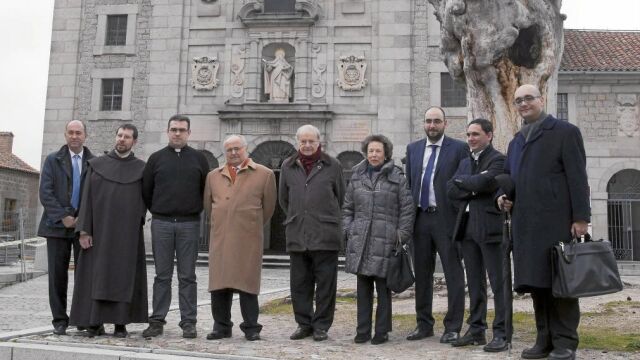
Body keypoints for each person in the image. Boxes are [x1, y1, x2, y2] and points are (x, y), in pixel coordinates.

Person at [498, 84, 589, 360]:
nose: (524, 104)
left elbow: (577, 177)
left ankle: (565, 342)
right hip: (526, 225)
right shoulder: (516, 141)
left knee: (561, 284)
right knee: (537, 284)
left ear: (541, 100)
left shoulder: (565, 132)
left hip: (557, 222)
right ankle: (544, 339)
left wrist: (581, 218)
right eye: (518, 101)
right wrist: (502, 197)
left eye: (528, 98)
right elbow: (507, 177)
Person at [69, 124, 148, 337]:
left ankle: (120, 323)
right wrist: (84, 230)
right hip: (98, 232)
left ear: (134, 141)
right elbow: (85, 199)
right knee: (96, 275)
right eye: (120, 135)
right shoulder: (95, 165)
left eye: (127, 137)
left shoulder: (141, 168)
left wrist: (137, 219)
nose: (122, 139)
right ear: (116, 138)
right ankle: (94, 322)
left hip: (127, 234)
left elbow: (145, 200)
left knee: (123, 276)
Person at [142, 115, 210, 339]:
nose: (177, 133)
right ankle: (157, 321)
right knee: (162, 275)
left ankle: (188, 322)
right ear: (167, 131)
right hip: (161, 223)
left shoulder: (199, 160)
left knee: (187, 276)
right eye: (174, 129)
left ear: (189, 133)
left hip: (189, 224)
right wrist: (159, 210)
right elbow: (146, 191)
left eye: (182, 130)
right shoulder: (156, 159)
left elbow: (205, 191)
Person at [203, 135, 276, 342]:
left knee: (247, 284)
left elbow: (268, 208)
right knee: (219, 284)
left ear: (246, 150)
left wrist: (248, 223)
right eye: (229, 150)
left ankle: (251, 327)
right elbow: (209, 207)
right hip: (221, 237)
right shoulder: (213, 176)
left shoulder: (265, 174)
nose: (233, 153)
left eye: (237, 149)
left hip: (248, 239)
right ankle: (221, 326)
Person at [343, 135, 415, 345]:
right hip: (361, 241)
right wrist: (349, 230)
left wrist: (400, 236)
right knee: (363, 290)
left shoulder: (397, 178)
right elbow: (347, 208)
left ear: (386, 154)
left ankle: (381, 331)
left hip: (386, 242)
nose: (374, 154)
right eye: (371, 151)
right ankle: (362, 330)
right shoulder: (357, 177)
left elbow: (407, 210)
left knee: (384, 290)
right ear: (366, 153)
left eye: (378, 151)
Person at [404, 106, 467, 343]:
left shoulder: (459, 149)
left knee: (453, 273)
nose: (432, 125)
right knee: (422, 274)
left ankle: (453, 326)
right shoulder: (413, 149)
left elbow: (462, 184)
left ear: (445, 124)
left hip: (446, 219)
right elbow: (411, 184)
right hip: (420, 219)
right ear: (424, 123)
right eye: (429, 121)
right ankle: (424, 324)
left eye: (437, 121)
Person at [279, 124, 345, 342]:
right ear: (297, 142)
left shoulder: (333, 165)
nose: (307, 145)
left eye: (311, 141)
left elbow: (341, 197)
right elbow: (283, 200)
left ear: (319, 142)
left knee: (326, 285)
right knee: (299, 284)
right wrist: (298, 216)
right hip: (298, 233)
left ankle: (322, 326)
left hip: (325, 234)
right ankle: (303, 324)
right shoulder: (288, 166)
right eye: (303, 141)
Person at [446, 119, 507, 352]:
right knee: (474, 283)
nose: (471, 138)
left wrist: (468, 185)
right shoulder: (464, 162)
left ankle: (501, 332)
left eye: (476, 134)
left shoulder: (498, 159)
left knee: (498, 283)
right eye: (469, 134)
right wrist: (473, 186)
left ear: (489, 135)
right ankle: (476, 330)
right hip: (467, 228)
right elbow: (450, 188)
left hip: (490, 229)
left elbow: (489, 181)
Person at [37, 120, 95, 335]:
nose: (74, 136)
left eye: (78, 132)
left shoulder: (94, 162)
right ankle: (60, 320)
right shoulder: (53, 160)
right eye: (70, 132)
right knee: (57, 275)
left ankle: (82, 318)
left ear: (85, 136)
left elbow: (95, 195)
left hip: (83, 227)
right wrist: (63, 216)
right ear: (65, 135)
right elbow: (46, 192)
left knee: (84, 274)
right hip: (56, 226)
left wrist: (82, 219)